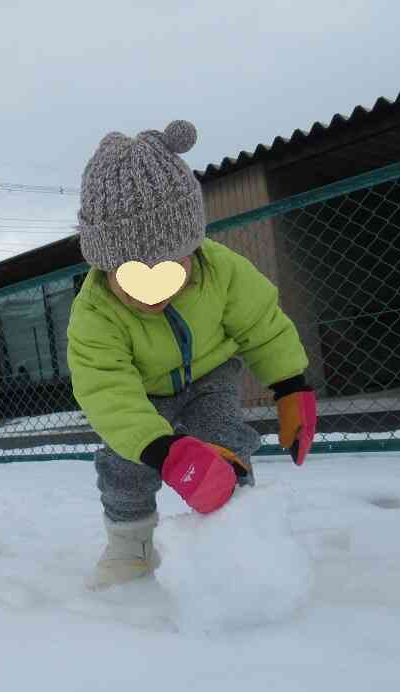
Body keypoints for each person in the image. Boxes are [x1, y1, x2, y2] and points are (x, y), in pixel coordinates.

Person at [66, 120, 318, 588]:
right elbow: (107, 392)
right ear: (105, 264)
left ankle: (237, 529)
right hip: (141, 395)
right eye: (133, 274)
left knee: (224, 439)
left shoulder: (220, 269)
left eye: (169, 267)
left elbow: (261, 323)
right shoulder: (94, 314)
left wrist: (290, 385)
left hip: (210, 374)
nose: (152, 289)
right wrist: (162, 450)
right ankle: (131, 545)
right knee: (125, 463)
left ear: (191, 245)